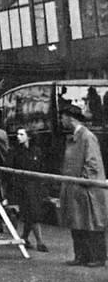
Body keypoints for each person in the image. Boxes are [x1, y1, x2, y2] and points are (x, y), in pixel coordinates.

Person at [59, 102, 108, 267]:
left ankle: (98, 257)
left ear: (70, 118)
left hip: (87, 189)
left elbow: (92, 164)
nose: (61, 121)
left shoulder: (87, 137)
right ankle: (81, 256)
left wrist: (83, 183)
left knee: (92, 223)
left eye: (63, 117)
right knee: (77, 222)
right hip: (75, 188)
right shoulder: (73, 137)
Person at [7, 127, 48, 252]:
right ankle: (40, 241)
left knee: (31, 213)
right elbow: (10, 168)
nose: (18, 136)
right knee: (32, 213)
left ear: (28, 136)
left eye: (21, 134)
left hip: (35, 187)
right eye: (17, 134)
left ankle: (24, 237)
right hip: (21, 187)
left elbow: (41, 168)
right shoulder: (14, 152)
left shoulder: (36, 151)